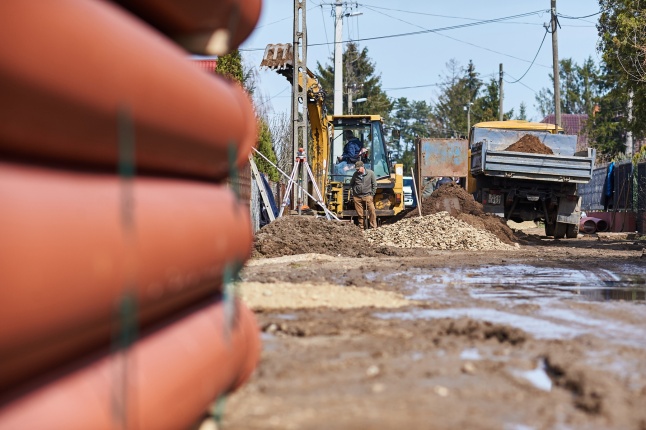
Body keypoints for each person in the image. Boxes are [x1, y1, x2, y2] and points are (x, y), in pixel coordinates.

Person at [350, 160, 377, 230]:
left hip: (368, 196)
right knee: (360, 214)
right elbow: (351, 184)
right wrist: (353, 193)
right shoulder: (355, 174)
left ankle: (373, 227)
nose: (357, 170)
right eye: (356, 169)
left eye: (358, 169)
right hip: (357, 197)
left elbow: (374, 184)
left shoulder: (370, 173)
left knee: (372, 211)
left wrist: (372, 195)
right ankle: (361, 228)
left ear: (363, 167)